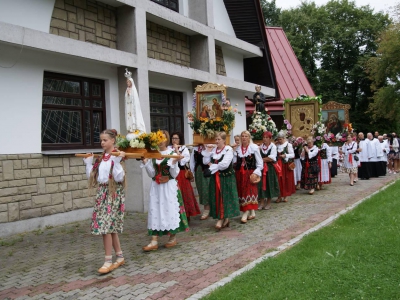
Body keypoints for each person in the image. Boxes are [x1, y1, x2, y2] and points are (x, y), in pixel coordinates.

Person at [83, 129, 126, 274]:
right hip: (102, 193)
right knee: (109, 227)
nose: (102, 142)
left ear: (113, 141)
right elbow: (93, 176)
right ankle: (119, 257)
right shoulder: (101, 158)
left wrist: (117, 161)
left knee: (106, 227)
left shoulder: (117, 156)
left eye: (105, 140)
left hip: (113, 193)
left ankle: (108, 260)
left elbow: (119, 178)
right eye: (101, 140)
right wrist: (88, 164)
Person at [140, 130, 189, 251]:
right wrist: (146, 162)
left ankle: (172, 237)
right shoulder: (153, 154)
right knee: (155, 210)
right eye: (158, 139)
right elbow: (151, 173)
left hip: (169, 187)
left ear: (166, 140)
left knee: (169, 209)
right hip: (156, 187)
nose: (160, 141)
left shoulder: (171, 153)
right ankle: (154, 240)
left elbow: (174, 173)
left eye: (162, 138)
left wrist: (173, 162)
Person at [203, 132, 240, 230]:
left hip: (226, 178)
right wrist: (207, 151)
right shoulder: (214, 150)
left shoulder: (228, 149)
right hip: (216, 177)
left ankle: (222, 218)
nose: (216, 141)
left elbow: (224, 165)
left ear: (224, 140)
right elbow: (205, 161)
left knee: (225, 198)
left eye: (219, 139)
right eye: (216, 139)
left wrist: (212, 167)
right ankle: (224, 218)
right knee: (217, 197)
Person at [233, 131, 263, 223]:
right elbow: (234, 162)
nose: (244, 138)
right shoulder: (238, 149)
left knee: (248, 192)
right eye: (242, 136)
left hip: (250, 173)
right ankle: (252, 212)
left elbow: (260, 163)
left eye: (246, 136)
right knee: (242, 192)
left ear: (249, 138)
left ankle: (245, 213)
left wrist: (256, 173)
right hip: (239, 174)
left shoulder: (254, 148)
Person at [169, 132, 201, 221]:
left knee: (184, 194)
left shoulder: (184, 149)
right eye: (173, 138)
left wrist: (177, 151)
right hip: (171, 174)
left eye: (176, 138)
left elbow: (182, 162)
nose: (174, 140)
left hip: (181, 173)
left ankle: (186, 214)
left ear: (180, 140)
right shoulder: (168, 149)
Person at [258, 131, 280, 210]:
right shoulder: (260, 146)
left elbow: (271, 158)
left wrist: (260, 159)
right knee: (261, 185)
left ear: (270, 139)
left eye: (267, 137)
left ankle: (269, 202)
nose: (265, 139)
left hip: (270, 168)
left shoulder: (273, 147)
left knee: (269, 184)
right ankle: (262, 202)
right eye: (264, 137)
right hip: (261, 168)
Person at [190, 144, 211, 220]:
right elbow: (192, 162)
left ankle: (208, 209)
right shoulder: (195, 149)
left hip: (208, 171)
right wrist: (192, 173)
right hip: (198, 171)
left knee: (208, 190)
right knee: (202, 190)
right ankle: (207, 208)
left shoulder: (210, 146)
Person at [124, 69, 146, 137]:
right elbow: (126, 99)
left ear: (131, 82)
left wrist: (129, 94)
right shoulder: (127, 90)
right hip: (128, 107)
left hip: (133, 107)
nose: (127, 83)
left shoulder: (133, 89)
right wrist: (127, 94)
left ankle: (135, 129)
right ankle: (130, 130)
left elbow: (134, 99)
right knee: (129, 118)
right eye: (127, 82)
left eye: (129, 82)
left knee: (134, 118)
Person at [275, 131, 296, 202]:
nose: (279, 141)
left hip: (286, 165)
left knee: (286, 180)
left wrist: (285, 155)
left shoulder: (288, 145)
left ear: (284, 138)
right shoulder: (277, 145)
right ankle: (279, 195)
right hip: (279, 165)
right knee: (279, 180)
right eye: (278, 139)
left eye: (280, 139)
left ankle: (286, 195)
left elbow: (293, 155)